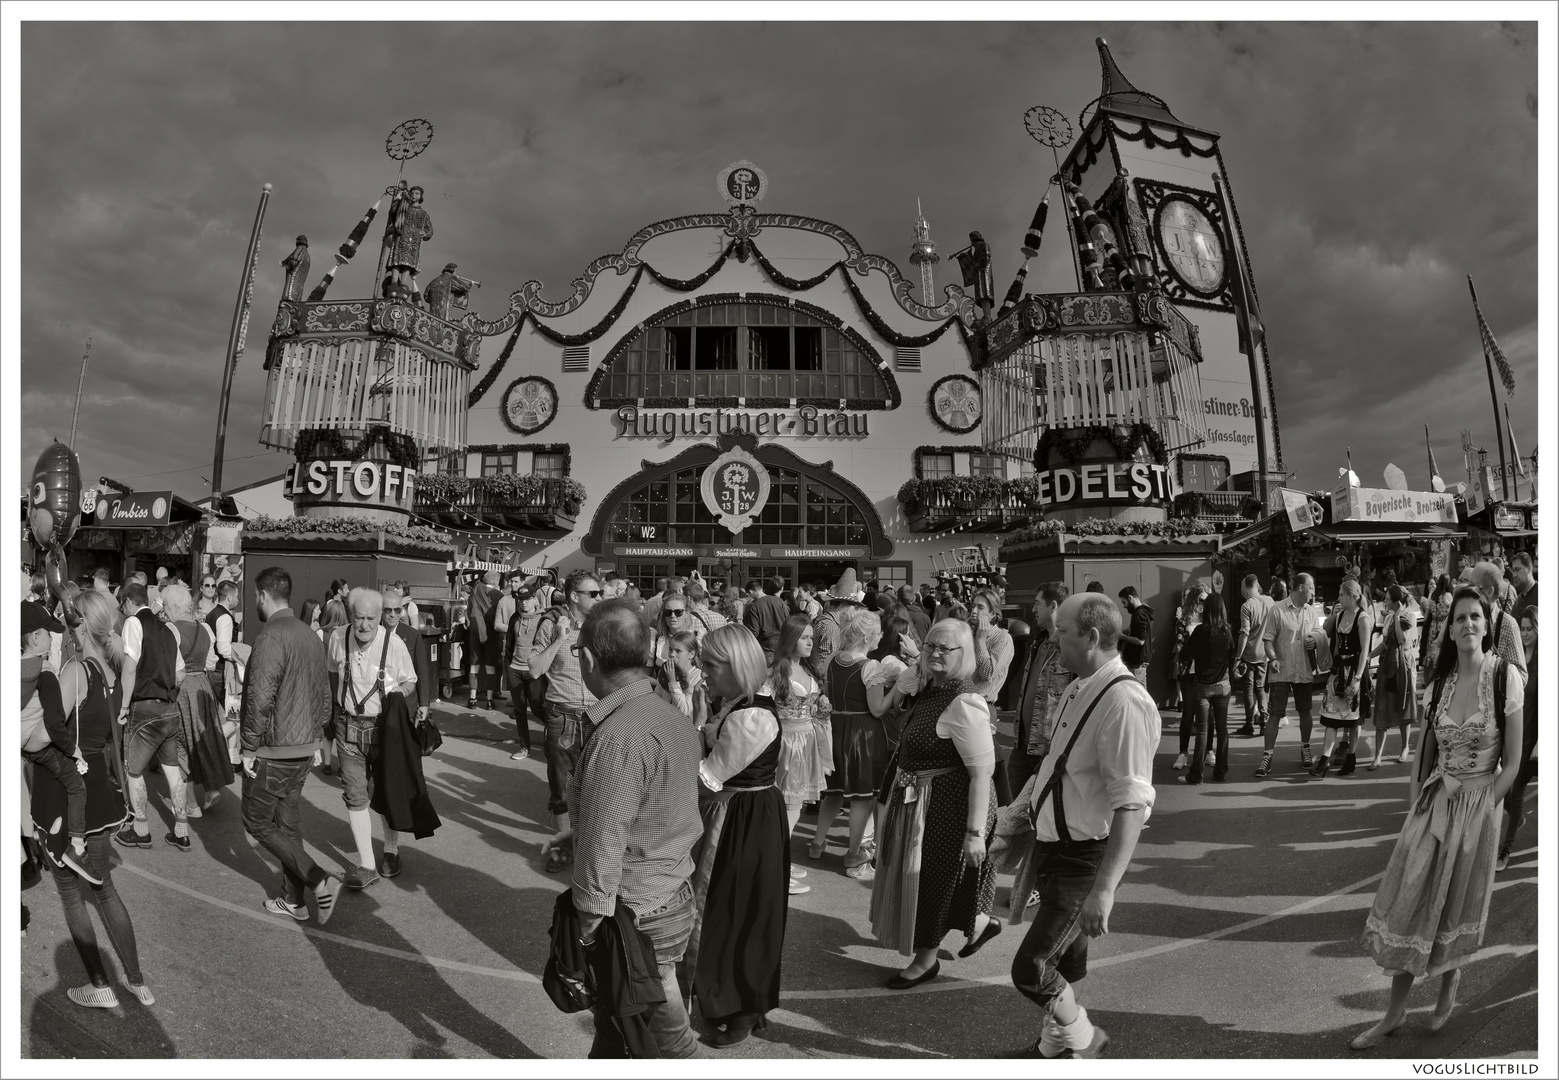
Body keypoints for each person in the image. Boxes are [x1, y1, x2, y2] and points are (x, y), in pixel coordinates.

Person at [1352, 586, 1525, 1049]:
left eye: (1475, 617)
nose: (1467, 624)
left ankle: (1450, 981)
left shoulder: (1506, 678)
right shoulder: (1440, 681)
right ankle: (1392, 1013)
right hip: (1434, 804)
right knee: (1410, 902)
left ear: (1487, 625)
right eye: (1460, 618)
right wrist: (1414, 806)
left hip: (1479, 805)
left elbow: (1513, 762)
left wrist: (1486, 809)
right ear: (1449, 629)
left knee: (1456, 903)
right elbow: (1423, 757)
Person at [538, 599, 705, 1058]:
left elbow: (608, 838)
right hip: (669, 889)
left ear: (588, 659)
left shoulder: (620, 735)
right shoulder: (667, 712)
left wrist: (588, 925)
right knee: (620, 1028)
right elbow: (653, 804)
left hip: (637, 909)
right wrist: (578, 834)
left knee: (671, 1041)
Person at [997, 593, 1159, 1059]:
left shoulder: (1125, 702)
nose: (1052, 639)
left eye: (1060, 631)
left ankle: (1084, 1040)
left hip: (1084, 859)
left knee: (1031, 968)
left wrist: (1104, 890)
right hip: (1056, 848)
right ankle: (1057, 1048)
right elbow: (1056, 767)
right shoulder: (1077, 686)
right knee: (1068, 959)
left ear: (1091, 636)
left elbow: (1131, 804)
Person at [31, 590, 157, 1009]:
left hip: (64, 794)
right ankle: (137, 981)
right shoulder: (113, 669)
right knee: (105, 889)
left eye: (70, 619)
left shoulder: (74, 670)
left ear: (79, 624)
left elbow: (50, 734)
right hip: (100, 793)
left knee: (71, 894)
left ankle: (99, 984)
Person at [870, 617, 1000, 988]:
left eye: (946, 648)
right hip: (923, 800)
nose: (935, 652)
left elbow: (981, 773)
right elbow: (903, 688)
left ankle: (926, 960)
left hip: (950, 805)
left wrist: (975, 833)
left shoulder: (964, 701)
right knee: (926, 876)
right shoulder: (931, 687)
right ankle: (978, 922)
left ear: (965, 654)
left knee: (934, 880)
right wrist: (920, 664)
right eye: (930, 645)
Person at [687, 626, 790, 1047]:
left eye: (710, 664)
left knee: (734, 910)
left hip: (741, 816)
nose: (703, 671)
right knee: (737, 910)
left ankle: (738, 1005)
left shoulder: (751, 716)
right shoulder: (742, 703)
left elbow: (708, 778)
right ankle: (732, 999)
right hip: (747, 812)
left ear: (736, 665)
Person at [240, 567, 344, 924]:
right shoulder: (311, 636)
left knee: (256, 822)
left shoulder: (271, 636)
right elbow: (325, 693)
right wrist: (318, 739)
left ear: (264, 595)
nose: (256, 601)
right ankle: (294, 900)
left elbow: (258, 698)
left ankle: (317, 878)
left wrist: (248, 747)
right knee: (287, 825)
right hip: (303, 748)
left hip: (274, 749)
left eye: (256, 596)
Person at [327, 587, 421, 888]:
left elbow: (411, 681)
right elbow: (332, 671)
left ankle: (391, 850)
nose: (364, 625)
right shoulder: (337, 638)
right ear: (350, 615)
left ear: (380, 617)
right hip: (347, 726)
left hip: (384, 729)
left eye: (370, 618)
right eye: (358, 618)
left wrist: (396, 695)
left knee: (387, 792)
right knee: (355, 794)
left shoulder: (394, 645)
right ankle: (367, 865)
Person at [811, 607, 897, 879]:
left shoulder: (834, 659)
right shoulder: (870, 667)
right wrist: (898, 687)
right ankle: (853, 855)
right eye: (877, 632)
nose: (881, 636)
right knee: (861, 797)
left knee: (835, 791)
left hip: (835, 729)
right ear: (867, 637)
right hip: (862, 735)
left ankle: (817, 842)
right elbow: (878, 709)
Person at [531, 570, 603, 873]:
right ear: (574, 596)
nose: (599, 598)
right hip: (563, 716)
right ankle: (562, 849)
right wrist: (559, 639)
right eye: (593, 594)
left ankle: (592, 850)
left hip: (599, 716)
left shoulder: (600, 626)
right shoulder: (551, 623)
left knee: (598, 788)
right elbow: (534, 669)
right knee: (562, 789)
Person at [21, 600, 96, 880]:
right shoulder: (47, 671)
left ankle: (35, 844)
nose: (53, 636)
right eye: (48, 632)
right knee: (76, 784)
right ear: (36, 637)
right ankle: (76, 846)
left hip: (20, 746)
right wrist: (72, 749)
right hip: (38, 746)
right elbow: (54, 722)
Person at [113, 580, 189, 851]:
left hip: (144, 707)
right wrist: (167, 690)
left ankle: (141, 830)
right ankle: (181, 831)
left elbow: (130, 669)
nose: (123, 610)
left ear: (129, 602)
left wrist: (123, 707)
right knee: (172, 772)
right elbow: (181, 672)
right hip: (169, 708)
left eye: (122, 605)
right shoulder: (170, 630)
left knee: (134, 770)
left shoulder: (133, 623)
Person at [769, 615, 832, 896]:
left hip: (807, 741)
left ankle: (783, 860)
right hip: (788, 742)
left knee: (794, 808)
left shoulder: (805, 667)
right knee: (788, 808)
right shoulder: (777, 671)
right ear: (791, 639)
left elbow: (815, 707)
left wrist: (822, 708)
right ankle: (777, 867)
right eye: (805, 637)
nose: (810, 642)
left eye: (811, 637)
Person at [161, 583, 229, 824]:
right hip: (202, 683)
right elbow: (210, 662)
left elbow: (168, 664)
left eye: (166, 605)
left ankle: (191, 805)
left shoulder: (171, 629)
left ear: (177, 606)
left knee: (180, 745)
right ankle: (212, 788)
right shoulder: (204, 629)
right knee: (205, 737)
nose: (165, 610)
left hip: (182, 687)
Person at [1009, 583, 1073, 811]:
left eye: (1037, 604)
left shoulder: (1069, 648)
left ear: (1053, 605)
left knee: (1042, 818)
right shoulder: (1037, 642)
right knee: (1015, 815)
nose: (1033, 610)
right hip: (1021, 747)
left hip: (1047, 751)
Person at [1256, 573, 1320, 778]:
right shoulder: (1277, 609)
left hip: (1303, 670)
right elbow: (1267, 640)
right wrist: (1273, 657)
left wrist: (1315, 641)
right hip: (1281, 669)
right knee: (1274, 714)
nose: (1313, 592)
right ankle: (1267, 756)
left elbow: (1319, 634)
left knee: (1305, 711)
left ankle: (1305, 748)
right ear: (1301, 587)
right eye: (1311, 588)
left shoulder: (1311, 612)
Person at [1314, 578, 1373, 779]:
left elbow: (1365, 650)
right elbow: (1335, 644)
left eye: (1341, 595)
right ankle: (1324, 760)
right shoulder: (1339, 617)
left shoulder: (1362, 617)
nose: (1339, 598)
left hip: (1355, 671)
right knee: (1331, 718)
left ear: (1351, 596)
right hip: (1339, 671)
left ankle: (1350, 758)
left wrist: (1357, 678)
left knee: (1353, 720)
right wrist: (1333, 670)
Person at [1496, 606, 1537, 871]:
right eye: (1521, 629)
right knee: (1512, 791)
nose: (1524, 634)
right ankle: (1507, 845)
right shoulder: (1516, 658)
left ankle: (1504, 851)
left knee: (1516, 792)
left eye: (1529, 629)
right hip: (1518, 737)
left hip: (1536, 738)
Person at [1180, 592, 1237, 785]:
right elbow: (1231, 657)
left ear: (1207, 609)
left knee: (1203, 732)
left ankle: (1196, 775)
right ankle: (1220, 772)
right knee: (1222, 731)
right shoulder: (1227, 631)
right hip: (1222, 686)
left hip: (1202, 686)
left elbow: (1184, 655)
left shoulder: (1199, 631)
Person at [1367, 584, 1420, 769]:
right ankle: (1378, 756)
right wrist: (1369, 656)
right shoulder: (1389, 618)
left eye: (1388, 599)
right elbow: (1384, 644)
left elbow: (1401, 639)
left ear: (1397, 602)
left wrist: (1397, 617)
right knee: (1382, 708)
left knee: (1403, 708)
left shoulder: (1408, 617)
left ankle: (1405, 747)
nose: (1385, 601)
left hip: (1403, 667)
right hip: (1387, 666)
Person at [1459, 562, 1527, 675]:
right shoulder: (1461, 616)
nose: (1468, 589)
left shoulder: (1507, 624)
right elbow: (1439, 647)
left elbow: (1521, 675)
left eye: (1473, 585)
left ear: (1489, 591)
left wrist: (1492, 674)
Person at [504, 582, 544, 760]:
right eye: (521, 599)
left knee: (537, 708)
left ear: (534, 598)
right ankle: (524, 747)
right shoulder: (515, 617)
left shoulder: (543, 618)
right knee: (519, 711)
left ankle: (551, 740)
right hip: (515, 669)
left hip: (534, 671)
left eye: (527, 599)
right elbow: (509, 643)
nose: (524, 603)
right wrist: (508, 665)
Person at [1232, 575, 1275, 738]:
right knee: (1261, 688)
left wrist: (1238, 657)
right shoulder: (1270, 601)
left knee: (1248, 690)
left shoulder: (1246, 606)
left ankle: (1249, 724)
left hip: (1249, 654)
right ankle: (1264, 722)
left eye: (1242, 586)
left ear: (1247, 587)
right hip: (1265, 653)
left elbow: (1244, 632)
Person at [968, 588, 1015, 723]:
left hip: (981, 707)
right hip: (960, 702)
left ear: (993, 613)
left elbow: (987, 673)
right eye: (973, 606)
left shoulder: (1002, 639)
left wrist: (981, 641)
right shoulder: (969, 634)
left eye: (980, 607)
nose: (974, 611)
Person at [1169, 583, 1207, 729]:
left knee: (1204, 711)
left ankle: (1207, 748)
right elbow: (1180, 646)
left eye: (1206, 600)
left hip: (1205, 672)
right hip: (1188, 670)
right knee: (1189, 710)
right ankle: (1184, 749)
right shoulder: (1183, 621)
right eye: (1201, 600)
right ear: (1193, 600)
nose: (1203, 604)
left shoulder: (1208, 621)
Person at [466, 571, 503, 709]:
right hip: (492, 635)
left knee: (474, 666)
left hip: (475, 633)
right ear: (496, 581)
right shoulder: (498, 595)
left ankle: (472, 699)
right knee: (490, 667)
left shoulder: (475, 591)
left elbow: (470, 611)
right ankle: (489, 701)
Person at [744, 575, 790, 662]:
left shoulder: (753, 607)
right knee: (783, 670)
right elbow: (788, 620)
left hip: (766, 643)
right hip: (783, 640)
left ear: (751, 592)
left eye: (748, 594)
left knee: (768, 672)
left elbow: (754, 631)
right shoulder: (779, 601)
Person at [1116, 586, 1154, 686]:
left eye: (1124, 602)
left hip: (1137, 663)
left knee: (1135, 693)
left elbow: (1140, 640)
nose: (1124, 606)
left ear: (1130, 598)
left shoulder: (1139, 614)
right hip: (1139, 663)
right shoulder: (1144, 612)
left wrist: (1122, 636)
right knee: (1141, 695)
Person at [1420, 574, 1455, 677]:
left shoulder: (1432, 595)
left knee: (1430, 654)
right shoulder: (1448, 596)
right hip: (1443, 628)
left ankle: (1428, 680)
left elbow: (1426, 617)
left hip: (1432, 627)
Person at [1509, 552, 1536, 623]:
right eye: (1513, 571)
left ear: (1529, 569)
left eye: (1517, 570)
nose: (1514, 575)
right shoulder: (1518, 600)